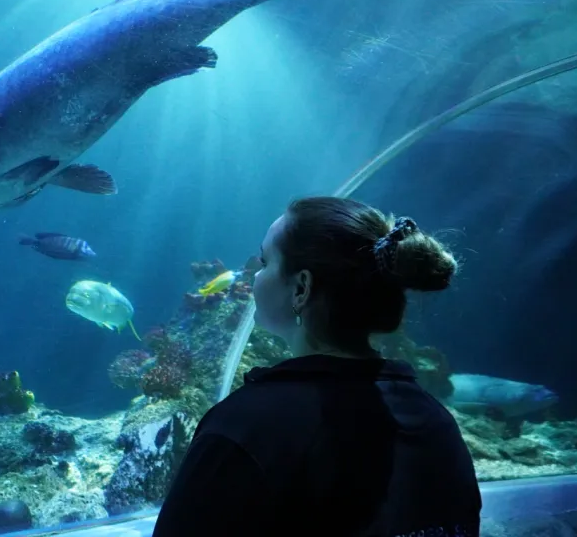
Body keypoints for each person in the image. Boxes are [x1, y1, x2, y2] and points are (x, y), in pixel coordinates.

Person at [152, 196, 481, 536]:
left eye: (265, 262)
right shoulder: (437, 425)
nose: (255, 276)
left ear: (301, 288)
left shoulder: (245, 428)